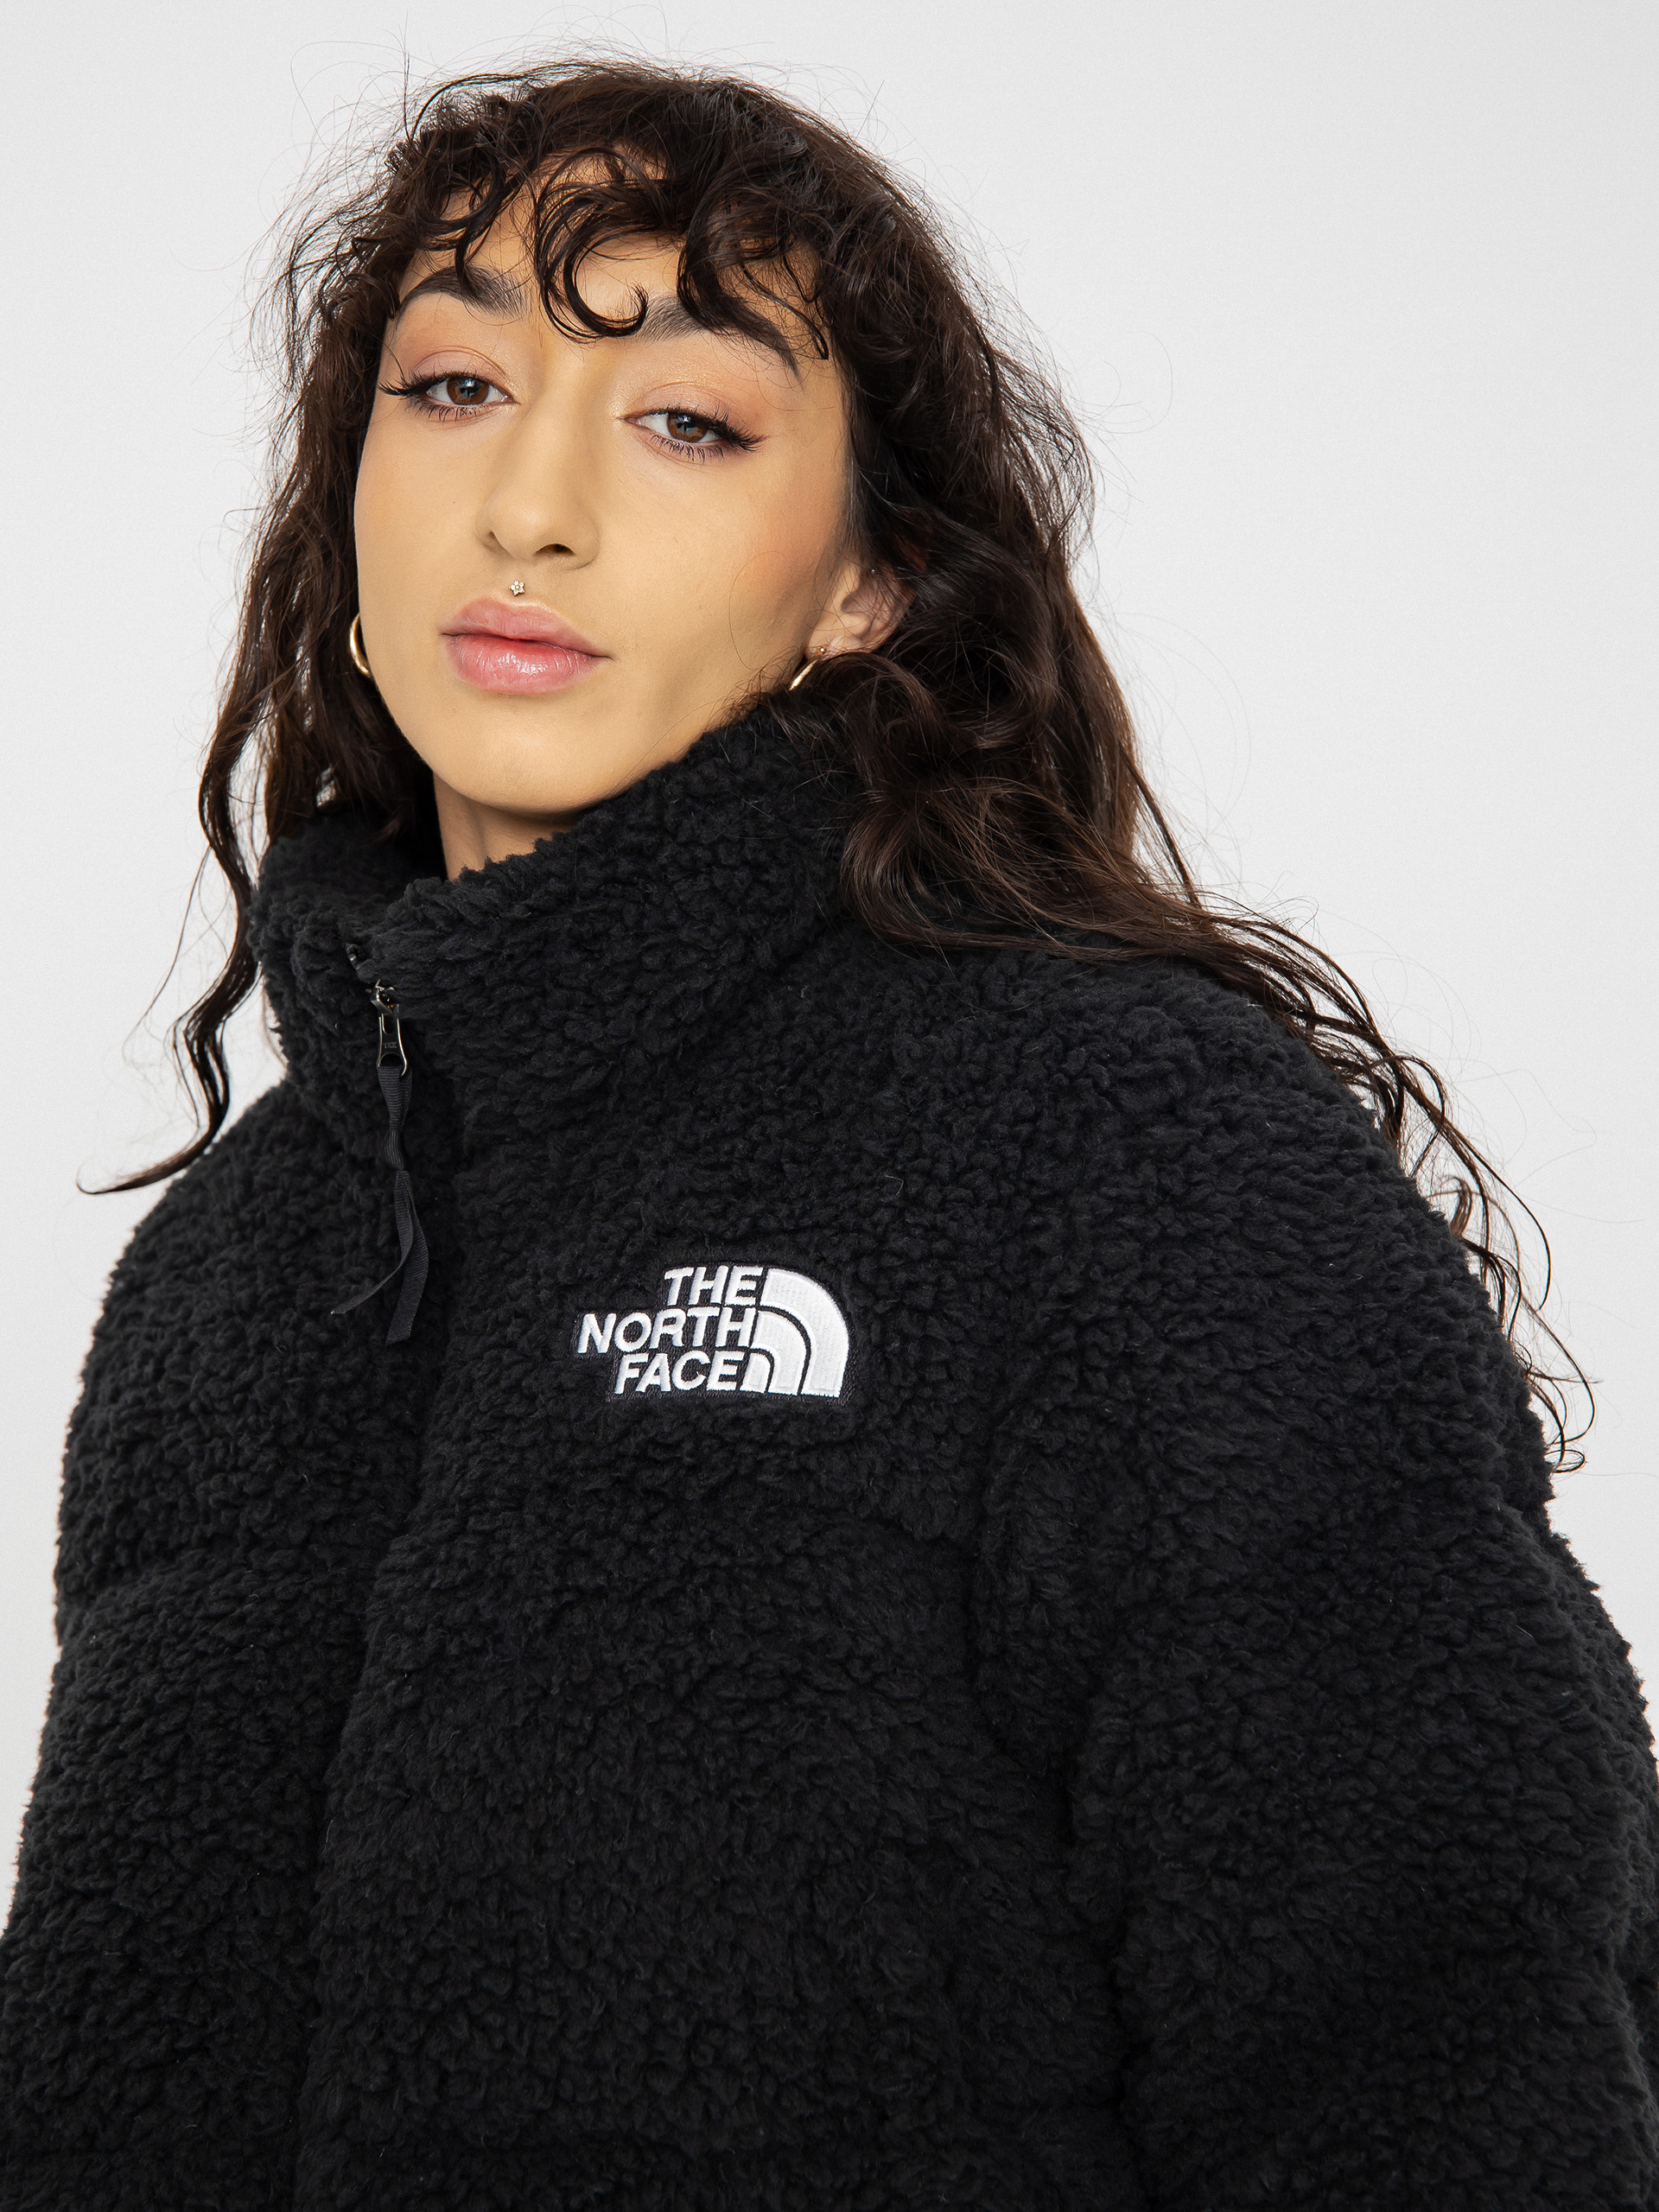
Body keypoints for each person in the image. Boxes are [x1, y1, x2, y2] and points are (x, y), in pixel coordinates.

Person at [2, 56, 1654, 2212]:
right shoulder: (231, 1268)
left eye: (689, 420)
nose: (530, 508)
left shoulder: (1121, 1140)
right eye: (455, 387)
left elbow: (1441, 2041)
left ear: (869, 582)